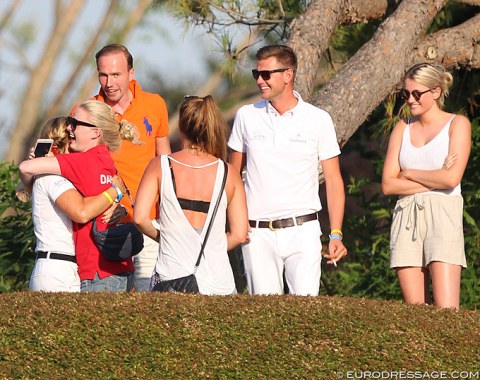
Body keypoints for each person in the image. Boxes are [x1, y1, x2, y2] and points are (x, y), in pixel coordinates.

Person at [228, 45, 347, 296]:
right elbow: (232, 177)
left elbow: (334, 181)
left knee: (304, 314)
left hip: (303, 230)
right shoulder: (246, 116)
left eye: (266, 74)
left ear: (288, 75)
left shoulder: (318, 119)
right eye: (256, 74)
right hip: (256, 233)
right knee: (263, 317)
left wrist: (335, 233)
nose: (260, 80)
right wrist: (236, 224)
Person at [20, 100, 141, 292]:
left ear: (96, 132)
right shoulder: (108, 162)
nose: (70, 128)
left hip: (97, 271)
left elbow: (25, 167)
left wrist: (44, 163)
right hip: (121, 266)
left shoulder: (80, 161)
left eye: (75, 123)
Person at [134, 95, 248, 295]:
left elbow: (140, 217)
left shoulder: (160, 165)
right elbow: (239, 234)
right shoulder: (228, 172)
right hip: (218, 282)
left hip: (172, 276)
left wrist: (167, 238)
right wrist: (213, 246)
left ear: (181, 126)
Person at [382, 63, 471, 309]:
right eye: (405, 94)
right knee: (415, 312)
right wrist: (436, 177)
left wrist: (408, 173)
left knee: (447, 311)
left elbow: (451, 180)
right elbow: (388, 185)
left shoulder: (457, 124)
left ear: (436, 91)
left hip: (443, 213)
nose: (410, 99)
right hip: (406, 214)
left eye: (416, 93)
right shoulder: (402, 128)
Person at [84, 43, 171, 292]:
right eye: (103, 75)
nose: (109, 82)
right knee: (110, 307)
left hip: (149, 221)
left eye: (116, 74)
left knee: (150, 303)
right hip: (107, 226)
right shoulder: (87, 112)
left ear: (131, 73)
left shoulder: (155, 104)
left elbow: (165, 162)